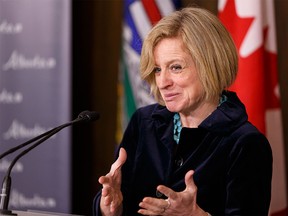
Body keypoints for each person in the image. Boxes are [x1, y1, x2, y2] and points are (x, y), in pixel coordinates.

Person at [93, 6, 272, 216]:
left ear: (210, 65)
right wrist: (109, 208)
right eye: (158, 69)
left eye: (176, 67)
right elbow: (120, 198)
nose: (163, 82)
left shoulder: (245, 143)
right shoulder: (144, 123)